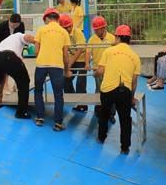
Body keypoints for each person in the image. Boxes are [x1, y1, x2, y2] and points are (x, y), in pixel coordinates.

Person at [96, 25, 141, 155]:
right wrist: (131, 97)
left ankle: (101, 137)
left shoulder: (109, 51)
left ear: (117, 37)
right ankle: (125, 147)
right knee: (125, 119)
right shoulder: (135, 56)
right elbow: (134, 81)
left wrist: (95, 73)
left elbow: (100, 71)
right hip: (124, 91)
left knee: (104, 114)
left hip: (108, 90)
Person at [34, 8, 71, 131]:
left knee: (38, 91)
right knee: (58, 94)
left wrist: (42, 58)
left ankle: (40, 118)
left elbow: (36, 51)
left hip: (41, 65)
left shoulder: (41, 30)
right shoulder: (64, 32)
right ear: (57, 18)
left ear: (47, 18)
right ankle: (58, 123)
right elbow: (65, 55)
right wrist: (67, 70)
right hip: (57, 66)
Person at [0, 32, 34, 118]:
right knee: (24, 81)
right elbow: (27, 37)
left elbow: (4, 76)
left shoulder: (6, 41)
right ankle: (21, 112)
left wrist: (0, 93)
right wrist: (38, 41)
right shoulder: (19, 35)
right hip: (8, 56)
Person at [87, 16, 116, 121]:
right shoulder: (92, 39)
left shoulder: (112, 39)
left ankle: (111, 114)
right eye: (94, 29)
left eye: (97, 29)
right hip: (97, 69)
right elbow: (88, 52)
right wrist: (87, 63)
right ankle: (98, 111)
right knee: (99, 90)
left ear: (104, 28)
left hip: (110, 69)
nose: (95, 31)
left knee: (112, 90)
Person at [60, 14, 89, 112]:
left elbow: (80, 50)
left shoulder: (78, 32)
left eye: (70, 26)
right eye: (66, 27)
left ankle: (82, 105)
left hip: (81, 58)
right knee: (65, 78)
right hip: (71, 58)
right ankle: (73, 98)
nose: (68, 29)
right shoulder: (62, 34)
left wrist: (69, 64)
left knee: (80, 82)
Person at [0, 13, 25, 98]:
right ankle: (6, 85)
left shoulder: (21, 25)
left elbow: (21, 39)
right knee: (6, 67)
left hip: (16, 47)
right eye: (13, 25)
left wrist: (20, 53)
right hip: (5, 47)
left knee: (19, 66)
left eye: (17, 25)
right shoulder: (2, 26)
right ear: (9, 21)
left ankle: (16, 84)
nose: (15, 26)